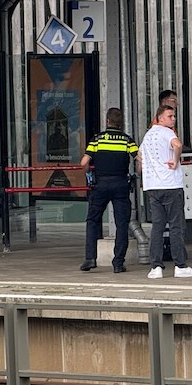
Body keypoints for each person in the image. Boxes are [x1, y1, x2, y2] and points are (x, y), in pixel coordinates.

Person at [141, 104, 192, 279]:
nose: (173, 119)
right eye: (170, 116)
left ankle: (156, 267)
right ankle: (180, 265)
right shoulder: (167, 132)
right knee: (176, 226)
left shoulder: (148, 135)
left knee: (157, 227)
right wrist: (175, 159)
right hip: (171, 185)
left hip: (153, 186)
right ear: (159, 118)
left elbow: (139, 155)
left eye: (173, 116)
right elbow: (178, 144)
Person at [79, 107, 138, 273]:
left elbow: (84, 162)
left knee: (93, 220)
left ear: (107, 121)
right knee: (122, 224)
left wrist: (89, 175)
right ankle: (118, 263)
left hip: (100, 185)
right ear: (121, 123)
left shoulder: (97, 139)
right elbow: (139, 158)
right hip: (121, 184)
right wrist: (138, 175)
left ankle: (90, 259)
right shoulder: (127, 140)